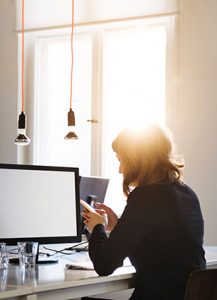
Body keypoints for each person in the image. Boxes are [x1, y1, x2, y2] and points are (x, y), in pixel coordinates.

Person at [82, 124, 206, 300]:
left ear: (136, 159)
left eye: (121, 159)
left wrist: (97, 227)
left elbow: (104, 265)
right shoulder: (187, 192)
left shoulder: (146, 197)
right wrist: (118, 225)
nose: (120, 169)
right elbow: (160, 241)